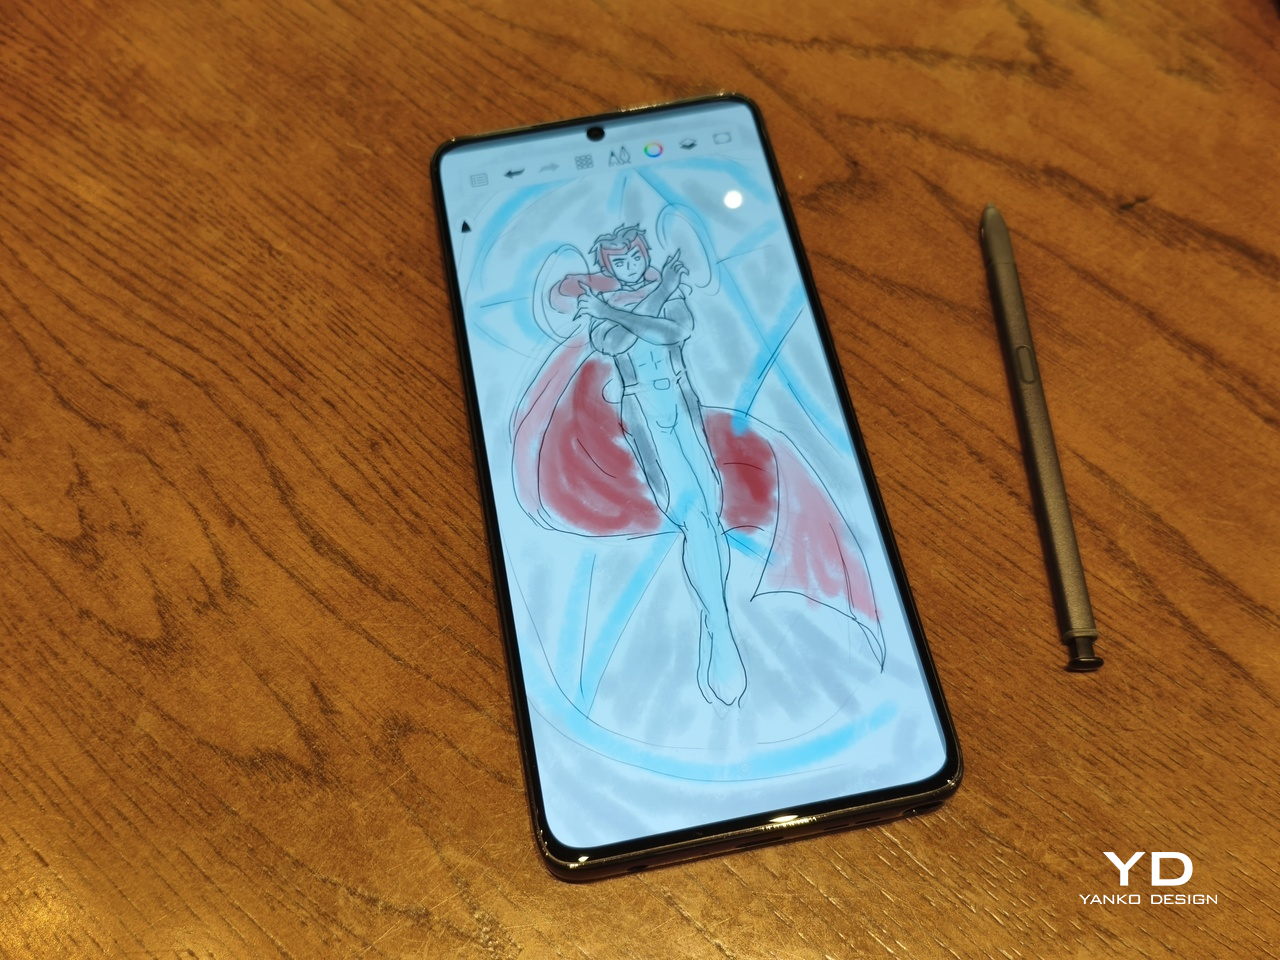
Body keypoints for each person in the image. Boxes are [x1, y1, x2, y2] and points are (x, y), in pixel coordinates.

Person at [565, 225, 748, 706]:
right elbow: (612, 344)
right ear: (608, 267)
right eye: (619, 262)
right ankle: (722, 633)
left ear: (644, 255)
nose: (629, 267)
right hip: (644, 410)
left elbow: (675, 331)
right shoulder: (610, 305)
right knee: (692, 515)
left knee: (709, 514)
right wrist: (656, 293)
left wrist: (628, 307)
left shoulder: (624, 303)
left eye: (634, 258)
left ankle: (716, 623)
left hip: (683, 402)